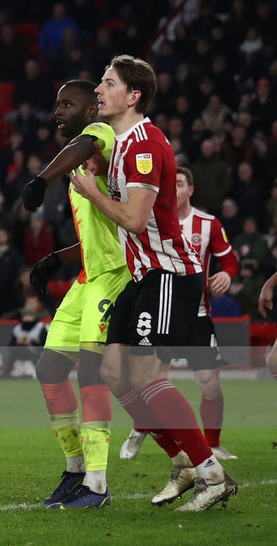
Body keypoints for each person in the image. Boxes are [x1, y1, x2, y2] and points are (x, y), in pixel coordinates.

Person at [68, 55, 236, 512]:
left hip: (168, 272)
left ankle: (211, 474)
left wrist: (94, 192)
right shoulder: (123, 146)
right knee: (112, 373)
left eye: (107, 83)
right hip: (143, 275)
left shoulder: (143, 144)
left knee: (143, 375)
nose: (98, 90)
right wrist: (102, 173)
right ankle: (182, 462)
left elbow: (137, 220)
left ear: (133, 95)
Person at [21, 80, 129, 508]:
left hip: (114, 276)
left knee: (92, 373)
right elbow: (101, 233)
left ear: (92, 108)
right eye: (56, 104)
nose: (58, 111)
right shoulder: (82, 163)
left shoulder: (103, 135)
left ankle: (98, 484)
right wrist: (57, 258)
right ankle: (75, 469)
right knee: (49, 368)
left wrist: (40, 180)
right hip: (87, 277)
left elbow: (84, 144)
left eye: (68, 103)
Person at [119, 169, 240, 461]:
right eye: (170, 184)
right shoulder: (148, 217)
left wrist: (226, 275)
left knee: (210, 384)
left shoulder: (208, 224)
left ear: (191, 190)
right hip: (162, 306)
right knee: (149, 377)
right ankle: (141, 428)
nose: (174, 189)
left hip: (197, 313)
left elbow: (229, 261)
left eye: (180, 184)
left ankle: (212, 444)